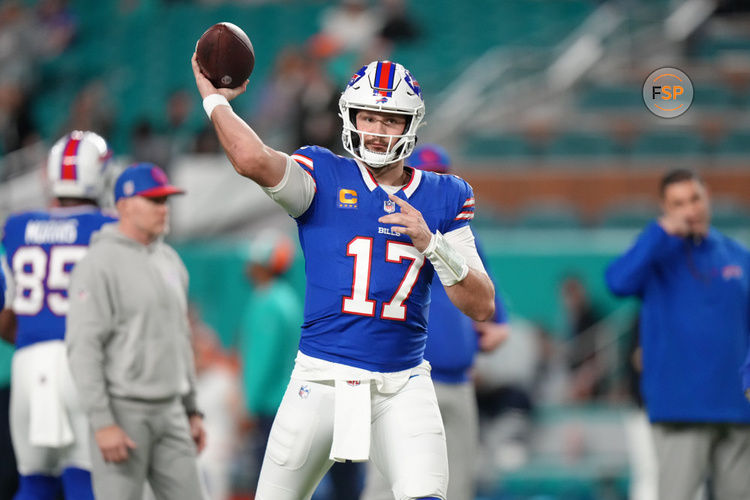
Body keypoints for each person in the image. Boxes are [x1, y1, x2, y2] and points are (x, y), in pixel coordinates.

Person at [192, 54, 495, 500]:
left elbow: (482, 305)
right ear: (349, 118)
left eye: (389, 120)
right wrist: (215, 99)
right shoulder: (323, 175)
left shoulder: (444, 196)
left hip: (402, 383)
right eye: (367, 117)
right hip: (320, 377)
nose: (376, 130)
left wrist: (432, 244)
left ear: (410, 125)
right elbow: (250, 159)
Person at [360, 144, 510, 500]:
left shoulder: (463, 238)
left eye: (443, 174)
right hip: (400, 379)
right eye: (430, 175)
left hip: (458, 381)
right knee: (386, 484)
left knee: (457, 485)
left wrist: (490, 336)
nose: (437, 182)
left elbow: (494, 317)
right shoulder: (385, 231)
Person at [605, 168, 750, 500]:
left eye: (695, 199)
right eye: (679, 203)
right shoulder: (656, 256)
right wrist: (658, 234)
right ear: (665, 209)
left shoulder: (739, 256)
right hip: (680, 408)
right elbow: (617, 282)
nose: (690, 209)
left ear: (707, 196)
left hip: (737, 408)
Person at [65, 162, 207, 500]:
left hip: (172, 409)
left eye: (166, 200)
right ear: (125, 205)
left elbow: (180, 338)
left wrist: (191, 408)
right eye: (154, 200)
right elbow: (84, 348)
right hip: (123, 411)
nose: (164, 208)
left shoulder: (170, 259)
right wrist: (102, 422)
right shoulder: (98, 263)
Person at [0, 130, 115, 500]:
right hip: (84, 365)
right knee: (85, 480)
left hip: (28, 363)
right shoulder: (110, 229)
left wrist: (36, 337)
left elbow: (4, 315)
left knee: (34, 482)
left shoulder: (15, 228)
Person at [237, 230, 302, 495]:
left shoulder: (269, 303)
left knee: (267, 482)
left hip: (270, 406)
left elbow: (263, 361)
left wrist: (249, 406)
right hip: (285, 401)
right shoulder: (285, 298)